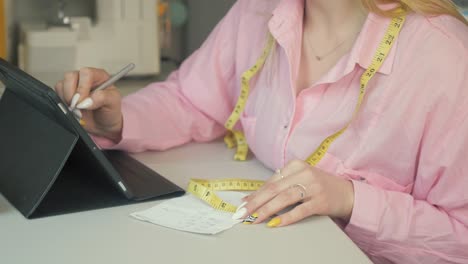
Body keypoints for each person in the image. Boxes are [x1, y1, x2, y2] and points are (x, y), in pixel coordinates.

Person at [54, 0, 468, 263]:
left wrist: (349, 199)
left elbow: (461, 238)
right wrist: (119, 120)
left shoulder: (444, 57)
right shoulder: (256, 11)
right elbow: (191, 98)